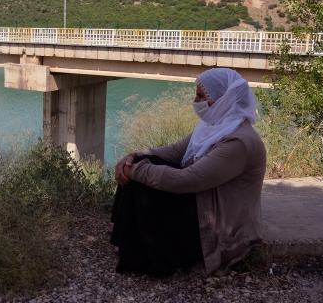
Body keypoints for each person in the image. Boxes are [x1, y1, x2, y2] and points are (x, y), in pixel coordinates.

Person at [110, 68, 266, 277]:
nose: (195, 101)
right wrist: (133, 156)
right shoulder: (215, 124)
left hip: (216, 224)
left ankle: (139, 252)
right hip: (203, 199)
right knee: (141, 163)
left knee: (144, 183)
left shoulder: (239, 142)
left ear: (221, 99)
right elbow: (176, 151)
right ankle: (123, 238)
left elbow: (187, 179)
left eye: (201, 96)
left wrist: (135, 171)